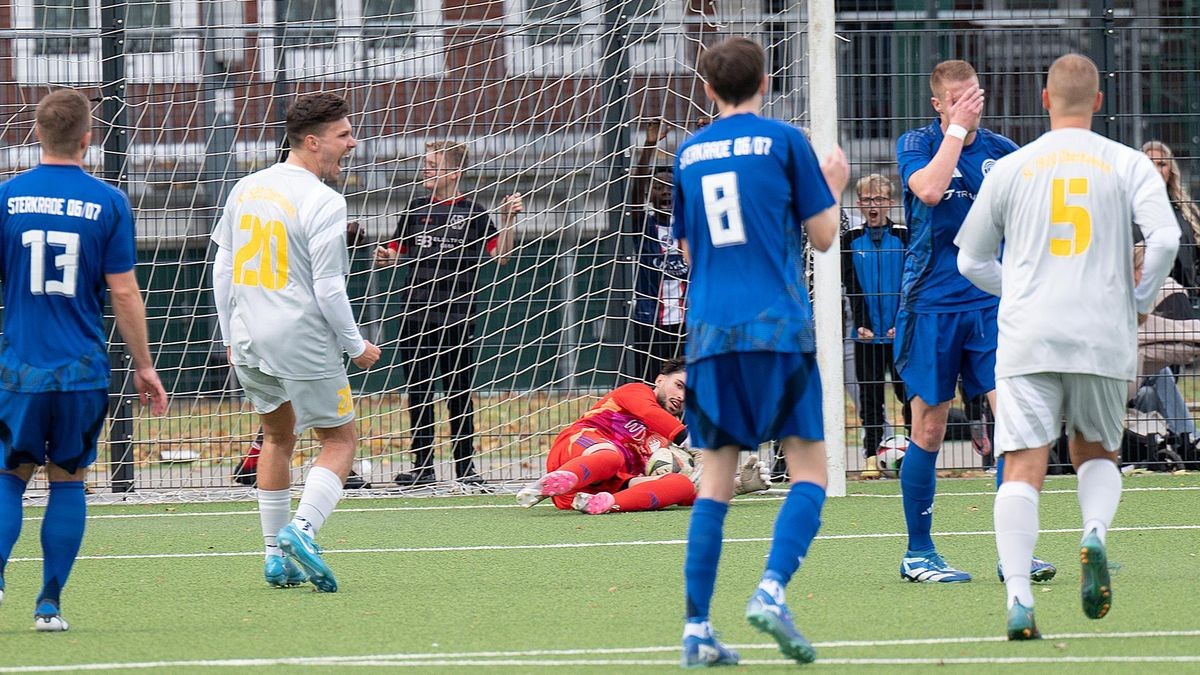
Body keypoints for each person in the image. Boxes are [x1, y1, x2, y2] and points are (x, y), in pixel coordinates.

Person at [955, 54, 1179, 639]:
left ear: (1045, 99)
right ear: (1098, 102)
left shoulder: (1012, 167)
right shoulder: (1127, 163)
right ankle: (1094, 535)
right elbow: (1165, 238)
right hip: (1102, 334)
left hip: (1030, 333)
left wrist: (1021, 288)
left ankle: (1020, 598)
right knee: (1097, 454)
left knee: (1023, 467)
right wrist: (1139, 297)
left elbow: (970, 258)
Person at [672, 37, 849, 666]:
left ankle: (697, 630)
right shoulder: (784, 142)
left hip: (711, 335)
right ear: (766, 82)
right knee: (810, 473)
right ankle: (771, 590)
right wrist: (832, 185)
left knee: (713, 484)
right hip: (777, 329)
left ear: (708, 88)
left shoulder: (688, 152)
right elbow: (825, 239)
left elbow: (690, 251)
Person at [0, 88, 169, 631]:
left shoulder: (7, 198)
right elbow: (123, 292)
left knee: (8, 475)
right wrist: (144, 366)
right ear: (87, 138)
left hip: (18, 369)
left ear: (37, 134)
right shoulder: (109, 203)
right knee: (68, 479)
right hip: (81, 371)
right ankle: (48, 605)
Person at [212, 92, 382, 593]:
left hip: (247, 334)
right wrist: (356, 346)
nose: (352, 143)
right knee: (340, 440)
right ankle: (302, 530)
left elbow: (223, 268)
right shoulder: (324, 199)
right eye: (343, 135)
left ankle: (273, 558)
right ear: (312, 142)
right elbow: (329, 287)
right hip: (299, 336)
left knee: (277, 437)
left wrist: (228, 333)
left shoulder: (246, 187)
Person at [894, 59, 1056, 584]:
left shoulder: (1002, 152)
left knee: (1012, 422)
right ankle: (918, 553)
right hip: (931, 305)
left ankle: (1016, 549)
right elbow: (930, 191)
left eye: (976, 96)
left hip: (991, 304)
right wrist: (957, 131)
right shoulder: (916, 145)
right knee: (931, 426)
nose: (971, 105)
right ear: (939, 104)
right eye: (959, 99)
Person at [373, 142, 522, 487]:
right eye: (425, 164)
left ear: (454, 173)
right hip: (415, 314)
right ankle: (423, 467)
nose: (425, 170)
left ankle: (465, 468)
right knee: (419, 391)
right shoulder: (415, 208)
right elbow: (393, 253)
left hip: (457, 316)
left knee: (458, 392)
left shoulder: (474, 213)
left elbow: (501, 255)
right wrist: (382, 254)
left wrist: (508, 219)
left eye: (432, 165)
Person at [514, 359, 772, 514]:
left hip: (586, 493)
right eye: (679, 386)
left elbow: (685, 490)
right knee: (611, 456)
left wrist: (736, 486)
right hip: (578, 447)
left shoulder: (666, 438)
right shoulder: (635, 391)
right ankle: (553, 481)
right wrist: (695, 444)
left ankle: (605, 504)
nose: (682, 397)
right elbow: (650, 413)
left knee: (680, 484)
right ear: (660, 380)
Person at [840, 174, 910, 478]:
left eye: (879, 200)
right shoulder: (851, 239)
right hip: (866, 336)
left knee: (908, 394)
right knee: (870, 397)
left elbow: (912, 281)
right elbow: (850, 285)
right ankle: (871, 455)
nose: (873, 206)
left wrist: (901, 321)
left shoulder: (905, 236)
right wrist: (863, 324)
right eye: (867, 200)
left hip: (900, 334)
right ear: (858, 203)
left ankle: (915, 453)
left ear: (890, 202)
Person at [630, 119, 688, 383]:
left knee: (690, 386)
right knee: (649, 384)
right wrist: (650, 144)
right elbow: (635, 191)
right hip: (650, 323)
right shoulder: (643, 227)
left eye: (671, 187)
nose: (665, 192)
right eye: (658, 187)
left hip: (689, 325)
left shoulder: (692, 227)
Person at [1142, 140, 1200, 296]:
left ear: (1170, 171)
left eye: (1162, 164)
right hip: (1145, 296)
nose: (1155, 170)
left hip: (1186, 296)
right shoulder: (1127, 209)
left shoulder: (1185, 210)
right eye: (1149, 164)